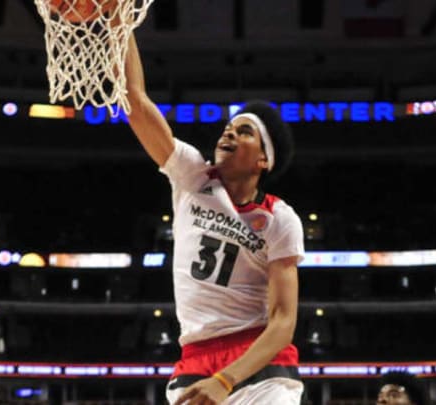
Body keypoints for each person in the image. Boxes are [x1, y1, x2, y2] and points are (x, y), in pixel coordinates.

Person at [124, 33, 305, 405]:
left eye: (245, 131)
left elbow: (283, 323)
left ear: (263, 160)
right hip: (194, 359)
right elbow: (137, 105)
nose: (230, 131)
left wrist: (225, 381)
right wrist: (120, 29)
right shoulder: (192, 176)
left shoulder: (279, 218)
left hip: (259, 362)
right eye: (230, 126)